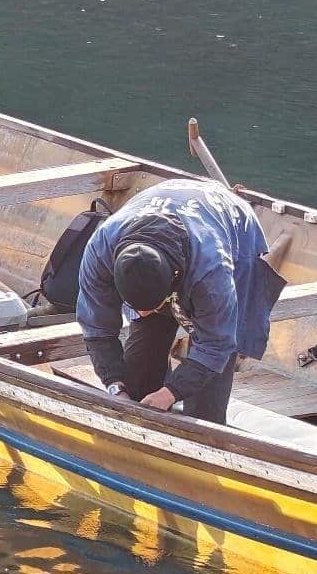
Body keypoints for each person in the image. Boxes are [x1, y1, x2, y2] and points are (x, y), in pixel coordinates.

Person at [75, 177, 285, 425]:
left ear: (174, 279)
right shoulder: (100, 250)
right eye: (135, 307)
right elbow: (96, 329)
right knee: (139, 369)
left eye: (150, 306)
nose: (142, 313)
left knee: (206, 403)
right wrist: (115, 386)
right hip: (167, 223)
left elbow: (216, 345)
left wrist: (170, 393)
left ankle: (202, 440)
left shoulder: (212, 272)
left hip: (233, 230)